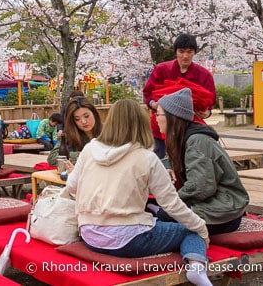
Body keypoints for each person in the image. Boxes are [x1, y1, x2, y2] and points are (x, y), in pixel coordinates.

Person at [67, 99, 212, 286]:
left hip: (89, 235)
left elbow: (71, 186)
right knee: (189, 231)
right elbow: (171, 204)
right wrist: (201, 228)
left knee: (156, 219)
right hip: (128, 239)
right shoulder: (147, 158)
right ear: (141, 124)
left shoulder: (89, 150)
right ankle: (196, 267)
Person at [153, 88, 248, 235]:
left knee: (162, 219)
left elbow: (201, 186)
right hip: (212, 204)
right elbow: (169, 157)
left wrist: (172, 201)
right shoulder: (184, 136)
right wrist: (168, 165)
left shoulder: (197, 141)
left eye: (158, 114)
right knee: (157, 213)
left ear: (172, 117)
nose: (155, 118)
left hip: (222, 210)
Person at [143, 33, 216, 158]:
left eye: (189, 52)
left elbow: (210, 103)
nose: (185, 56)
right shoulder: (161, 69)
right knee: (159, 163)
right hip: (161, 126)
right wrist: (153, 104)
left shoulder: (204, 75)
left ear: (194, 52)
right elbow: (148, 93)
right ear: (175, 52)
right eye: (181, 51)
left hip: (190, 129)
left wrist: (207, 113)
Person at [47, 97, 102, 166]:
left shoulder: (107, 131)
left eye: (86, 116)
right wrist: (85, 154)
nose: (83, 121)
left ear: (94, 114)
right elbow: (52, 159)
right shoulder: (69, 135)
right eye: (77, 119)